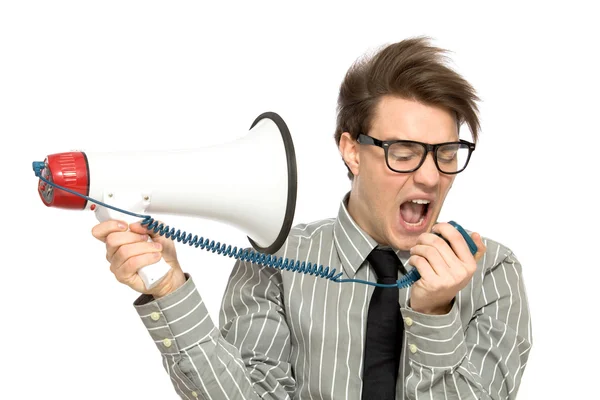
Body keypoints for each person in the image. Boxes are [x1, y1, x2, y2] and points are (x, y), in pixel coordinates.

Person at [92, 36, 532, 399]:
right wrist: (169, 290)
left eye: (447, 154)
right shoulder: (276, 259)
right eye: (403, 152)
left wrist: (435, 313)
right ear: (352, 151)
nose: (431, 176)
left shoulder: (492, 272)